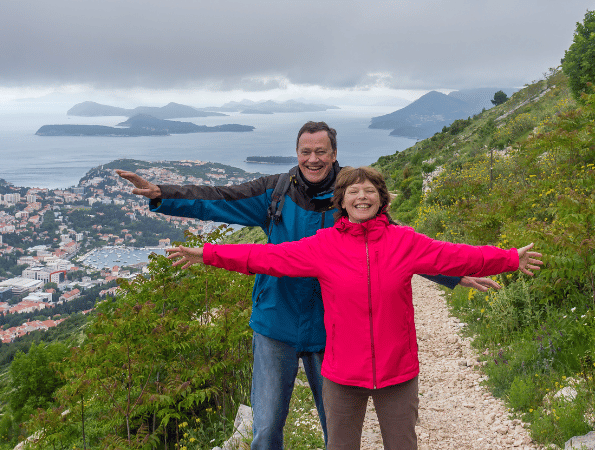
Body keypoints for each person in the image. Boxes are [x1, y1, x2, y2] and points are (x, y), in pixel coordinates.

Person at [116, 121, 500, 450]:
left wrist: (450, 273)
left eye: (321, 151)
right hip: (274, 322)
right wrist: (163, 195)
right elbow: (220, 198)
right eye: (305, 151)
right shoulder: (274, 192)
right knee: (266, 429)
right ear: (297, 153)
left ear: (334, 154)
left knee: (336, 429)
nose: (313, 159)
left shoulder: (352, 195)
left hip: (330, 329)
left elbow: (393, 244)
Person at [166, 165, 544, 450]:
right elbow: (266, 257)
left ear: (382, 199)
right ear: (342, 201)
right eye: (353, 192)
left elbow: (455, 255)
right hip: (342, 374)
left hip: (398, 372)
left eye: (369, 191)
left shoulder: (405, 242)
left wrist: (509, 258)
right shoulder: (323, 245)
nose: (361, 197)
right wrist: (206, 254)